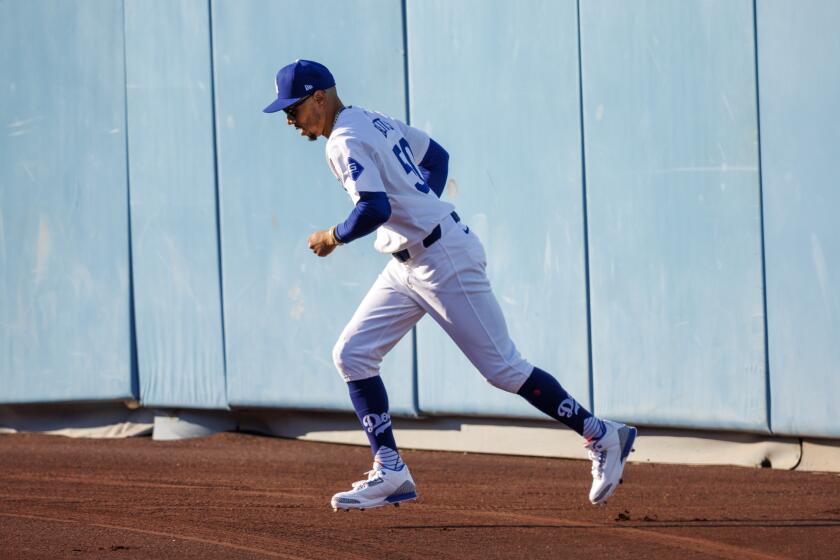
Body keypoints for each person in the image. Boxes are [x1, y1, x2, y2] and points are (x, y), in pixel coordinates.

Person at [263, 59, 636, 511]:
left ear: (319, 98)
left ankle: (602, 434)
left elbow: (374, 209)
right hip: (408, 262)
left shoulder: (343, 140)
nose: (289, 119)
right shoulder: (371, 119)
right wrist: (422, 206)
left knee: (505, 370)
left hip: (444, 261)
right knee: (353, 354)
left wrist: (333, 236)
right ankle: (390, 469)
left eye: (294, 109)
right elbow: (436, 157)